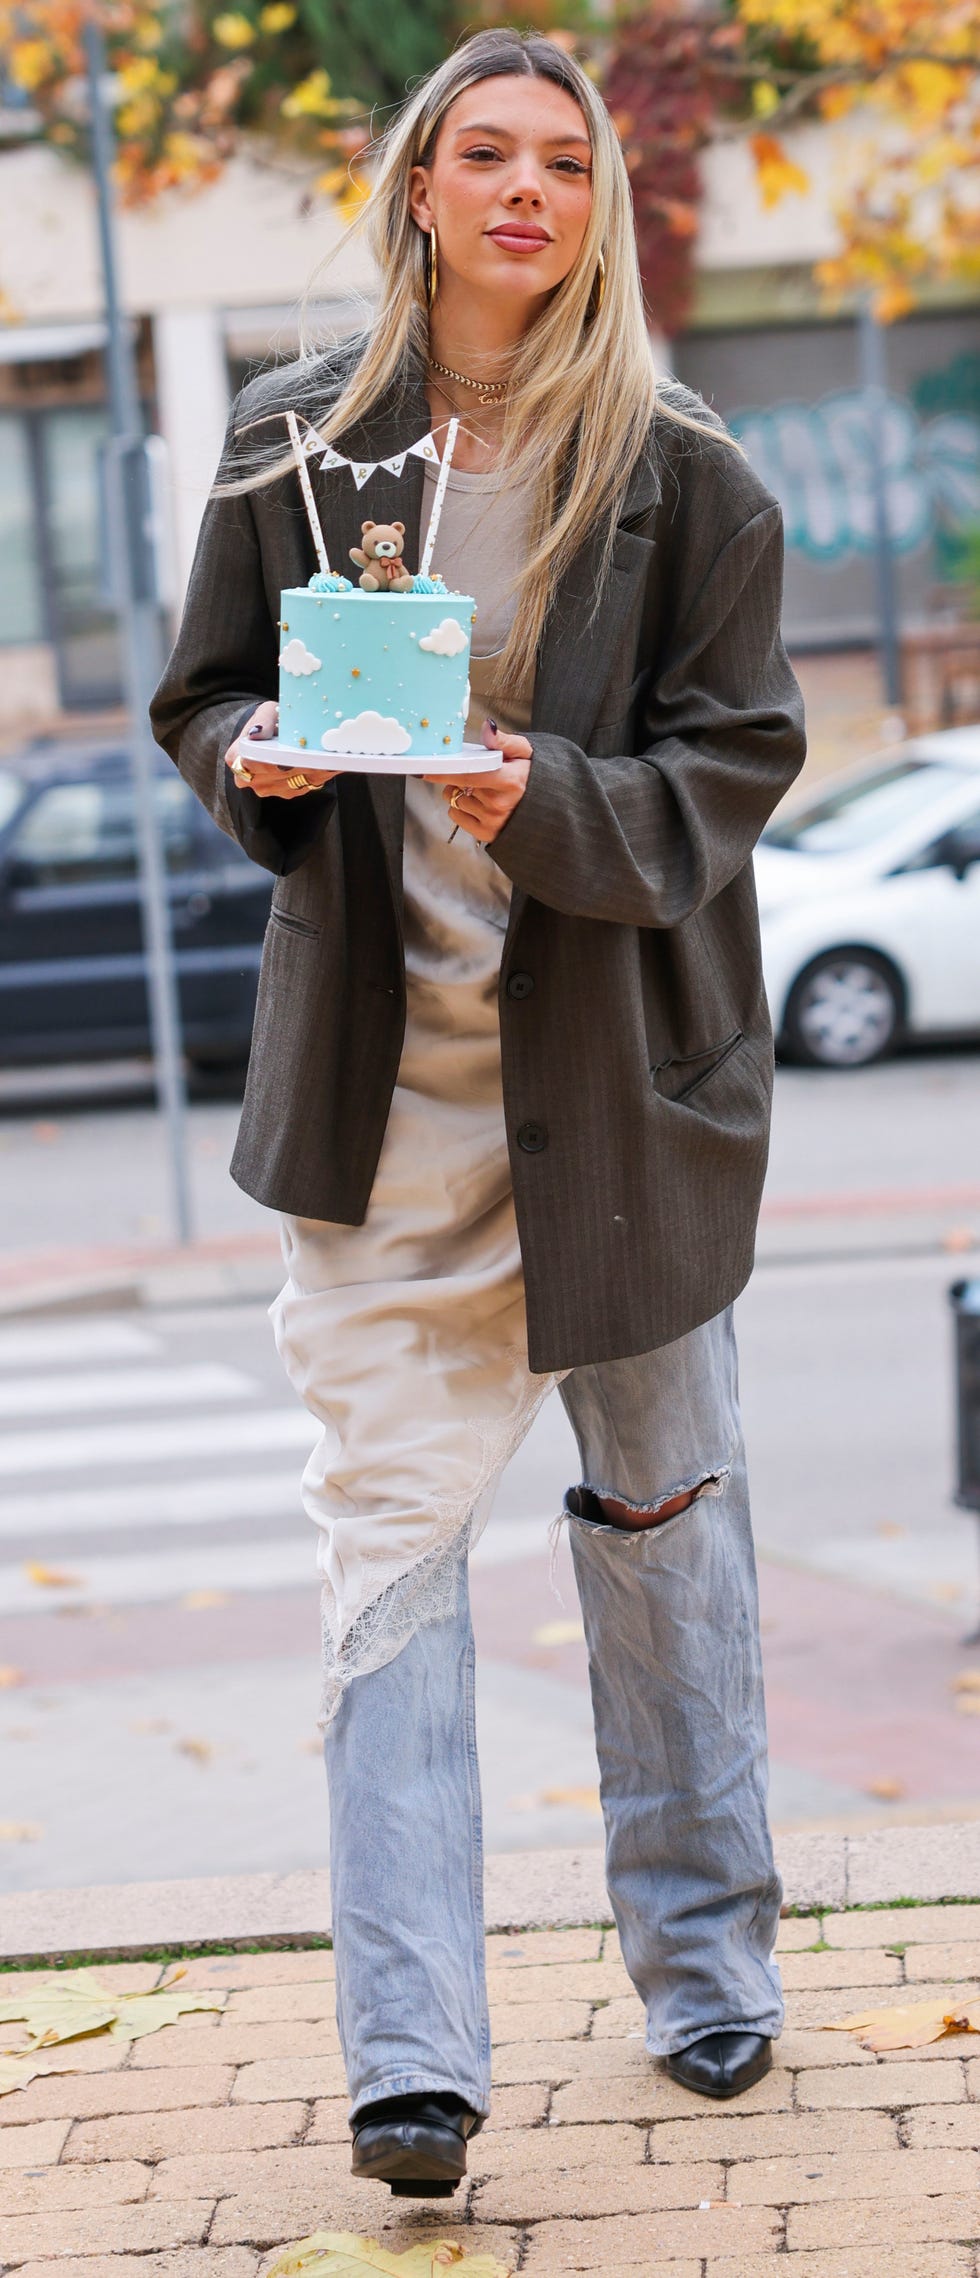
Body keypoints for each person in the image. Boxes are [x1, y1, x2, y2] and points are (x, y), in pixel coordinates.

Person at [150, 26, 806, 2202]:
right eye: (485, 153)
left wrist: (552, 799)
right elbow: (203, 685)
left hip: (620, 1090)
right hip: (382, 1095)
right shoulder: (287, 440)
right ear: (419, 186)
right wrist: (248, 748)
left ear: (592, 207)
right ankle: (410, 2055)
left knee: (660, 1529)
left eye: (563, 163)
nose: (525, 189)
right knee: (387, 1557)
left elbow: (733, 764)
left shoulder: (685, 466)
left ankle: (707, 1965)